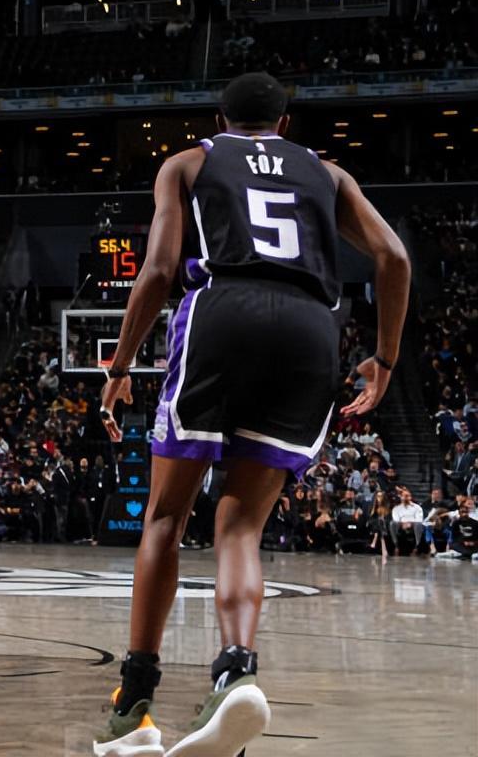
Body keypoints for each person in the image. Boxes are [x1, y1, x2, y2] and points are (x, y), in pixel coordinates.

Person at [92, 72, 410, 757]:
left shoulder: (189, 163)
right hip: (310, 329)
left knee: (166, 519)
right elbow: (393, 256)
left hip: (223, 311)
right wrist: (384, 358)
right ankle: (236, 674)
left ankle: (134, 704)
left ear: (220, 119)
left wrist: (118, 369)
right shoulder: (329, 174)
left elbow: (157, 271)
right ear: (285, 124)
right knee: (240, 526)